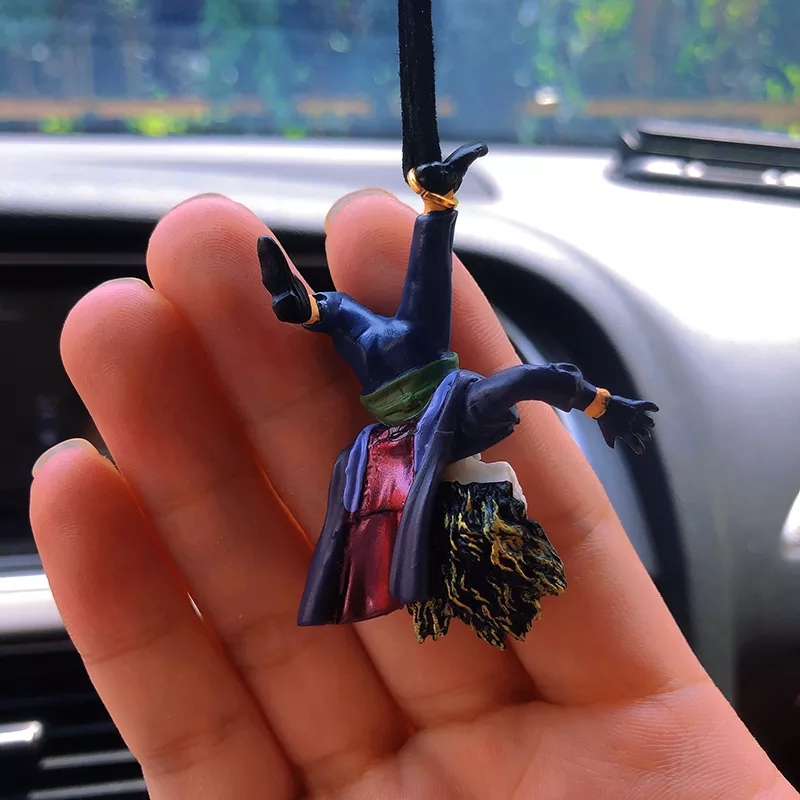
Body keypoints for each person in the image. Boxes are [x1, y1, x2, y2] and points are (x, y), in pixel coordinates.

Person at [30, 190, 797, 799]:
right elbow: (521, 373)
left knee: (387, 316)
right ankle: (421, 215)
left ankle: (412, 222)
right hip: (421, 406)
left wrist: (602, 405)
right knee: (401, 313)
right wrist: (602, 405)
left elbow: (521, 373)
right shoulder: (453, 413)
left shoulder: (427, 429)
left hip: (413, 414)